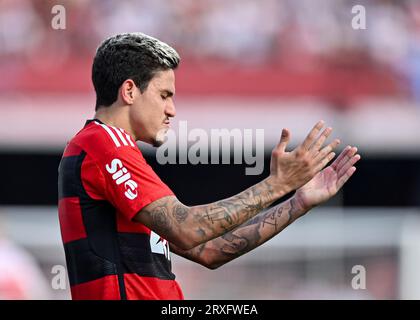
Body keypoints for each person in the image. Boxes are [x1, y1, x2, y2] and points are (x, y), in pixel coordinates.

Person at [57, 32, 360, 300]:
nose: (171, 110)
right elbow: (188, 229)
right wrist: (277, 184)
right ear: (129, 91)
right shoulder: (102, 145)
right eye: (164, 95)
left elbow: (209, 251)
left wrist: (297, 202)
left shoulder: (115, 152)